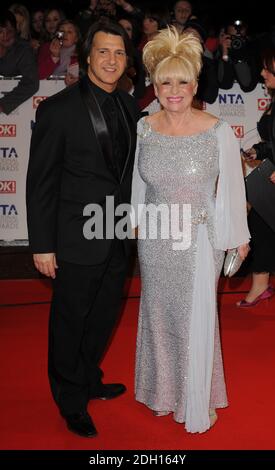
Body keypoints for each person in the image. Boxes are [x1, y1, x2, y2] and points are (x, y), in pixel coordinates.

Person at [131, 26, 250, 434]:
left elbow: (231, 192)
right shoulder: (145, 127)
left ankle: (196, 397)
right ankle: (163, 393)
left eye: (182, 81)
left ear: (195, 84)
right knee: (158, 316)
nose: (174, 89)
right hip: (155, 240)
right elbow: (139, 184)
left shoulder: (217, 131)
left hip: (200, 241)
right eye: (165, 82)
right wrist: (133, 220)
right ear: (155, 85)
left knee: (196, 319)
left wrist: (237, 238)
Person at [26, 19, 140, 438]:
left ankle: (88, 377)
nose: (111, 60)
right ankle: (70, 399)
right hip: (74, 236)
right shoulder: (57, 109)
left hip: (117, 234)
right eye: (104, 51)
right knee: (70, 320)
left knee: (103, 316)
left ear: (128, 61)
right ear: (88, 55)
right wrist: (43, 244)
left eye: (119, 53)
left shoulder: (130, 107)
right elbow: (40, 182)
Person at [237, 46, 275, 307]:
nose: (262, 72)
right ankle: (260, 285)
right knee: (260, 227)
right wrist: (258, 150)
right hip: (270, 175)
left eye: (267, 67)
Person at [0, 10, 39, 115]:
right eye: (0, 32)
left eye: (9, 31)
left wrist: (3, 105)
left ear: (16, 30)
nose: (5, 36)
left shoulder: (23, 50)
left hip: (20, 115)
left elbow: (31, 83)